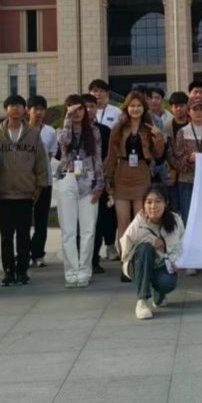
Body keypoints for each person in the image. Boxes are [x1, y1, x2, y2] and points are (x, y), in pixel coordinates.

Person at [0, 95, 50, 287]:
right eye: (11, 106)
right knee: (6, 236)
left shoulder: (33, 134)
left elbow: (41, 162)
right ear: (5, 110)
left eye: (18, 106)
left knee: (24, 235)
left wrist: (40, 186)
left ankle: (22, 271)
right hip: (4, 193)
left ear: (25, 109)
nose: (15, 109)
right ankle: (8, 271)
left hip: (26, 193)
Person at [105, 91, 167, 259]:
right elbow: (111, 155)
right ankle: (125, 259)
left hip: (141, 173)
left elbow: (158, 155)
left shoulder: (149, 128)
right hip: (122, 173)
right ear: (127, 108)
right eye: (132, 105)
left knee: (141, 221)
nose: (135, 109)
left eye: (139, 106)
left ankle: (139, 259)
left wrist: (158, 137)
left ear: (144, 108)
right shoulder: (118, 128)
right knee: (123, 221)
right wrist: (108, 177)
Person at [55, 94, 104, 288]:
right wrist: (68, 118)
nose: (77, 113)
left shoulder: (94, 131)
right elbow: (65, 141)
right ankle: (71, 271)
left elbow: (98, 159)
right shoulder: (62, 130)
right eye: (72, 109)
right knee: (68, 230)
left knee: (88, 230)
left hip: (88, 181)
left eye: (80, 109)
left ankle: (84, 270)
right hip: (67, 179)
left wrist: (99, 185)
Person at [120, 186, 183, 320]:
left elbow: (182, 244)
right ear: (143, 205)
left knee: (168, 282)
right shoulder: (139, 222)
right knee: (145, 248)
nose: (153, 206)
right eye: (149, 202)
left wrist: (177, 260)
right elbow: (125, 245)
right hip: (138, 265)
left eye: (158, 201)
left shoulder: (176, 220)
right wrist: (148, 242)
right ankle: (142, 301)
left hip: (162, 265)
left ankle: (158, 293)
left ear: (166, 203)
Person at [84, 93, 115, 274]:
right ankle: (82, 259)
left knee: (98, 222)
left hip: (99, 183)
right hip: (80, 184)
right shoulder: (73, 130)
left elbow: (110, 156)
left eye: (92, 106)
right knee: (82, 224)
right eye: (85, 106)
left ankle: (94, 259)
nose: (89, 110)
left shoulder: (104, 130)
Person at [27, 95, 58, 268]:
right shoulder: (22, 130)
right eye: (35, 109)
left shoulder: (50, 132)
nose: (38, 113)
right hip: (24, 182)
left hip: (45, 182)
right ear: (28, 110)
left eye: (41, 109)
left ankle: (38, 253)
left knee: (41, 219)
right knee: (24, 220)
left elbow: (50, 156)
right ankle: (24, 252)